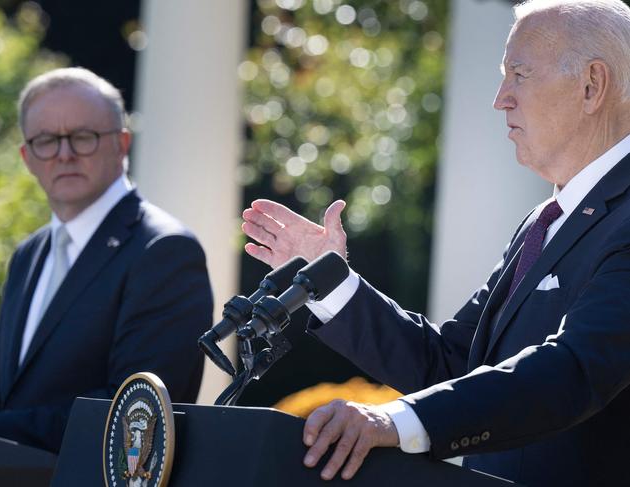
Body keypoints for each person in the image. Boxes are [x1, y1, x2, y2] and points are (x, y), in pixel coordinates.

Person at [241, 0, 630, 485]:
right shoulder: (544, 221)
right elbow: (451, 365)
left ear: (592, 85)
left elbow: (574, 370)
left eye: (520, 74)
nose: (500, 98)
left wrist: (394, 420)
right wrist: (331, 282)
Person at [0, 67, 213, 453]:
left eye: (83, 137)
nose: (64, 153)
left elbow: (137, 416)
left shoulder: (164, 251)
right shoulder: (28, 255)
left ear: (122, 143)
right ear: (27, 157)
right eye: (46, 140)